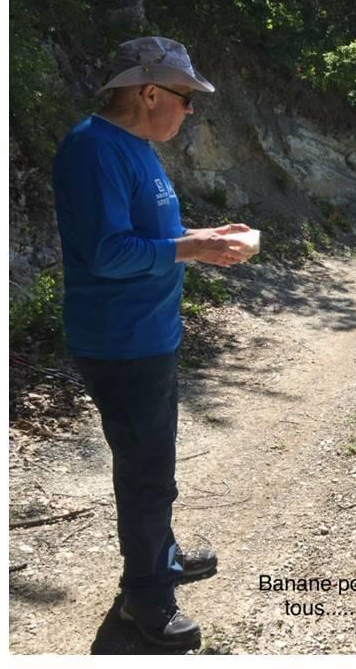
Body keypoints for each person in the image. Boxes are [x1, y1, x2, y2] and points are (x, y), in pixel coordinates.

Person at [52, 36, 251, 649]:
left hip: (151, 336)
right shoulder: (93, 148)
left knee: (154, 466)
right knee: (145, 473)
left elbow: (152, 234)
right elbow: (108, 253)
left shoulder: (135, 148)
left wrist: (203, 234)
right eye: (186, 99)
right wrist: (190, 248)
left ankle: (157, 555)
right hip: (120, 341)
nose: (190, 111)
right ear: (148, 92)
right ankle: (146, 598)